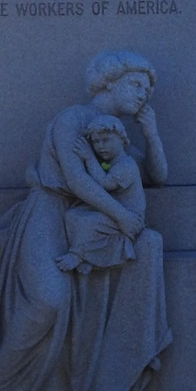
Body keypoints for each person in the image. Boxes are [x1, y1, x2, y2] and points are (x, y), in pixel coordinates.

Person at [0, 50, 171, 391]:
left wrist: (152, 133)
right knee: (47, 301)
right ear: (109, 81)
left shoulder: (116, 138)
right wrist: (121, 216)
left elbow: (156, 176)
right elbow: (77, 181)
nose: (143, 94)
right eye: (136, 84)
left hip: (86, 221)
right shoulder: (71, 119)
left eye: (147, 89)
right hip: (49, 210)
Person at [56, 114, 145, 274]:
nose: (100, 146)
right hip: (112, 212)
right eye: (96, 142)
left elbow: (105, 183)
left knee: (89, 222)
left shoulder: (127, 166)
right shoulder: (110, 164)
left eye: (106, 140)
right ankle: (91, 258)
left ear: (122, 139)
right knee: (73, 215)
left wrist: (89, 157)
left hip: (131, 215)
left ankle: (77, 255)